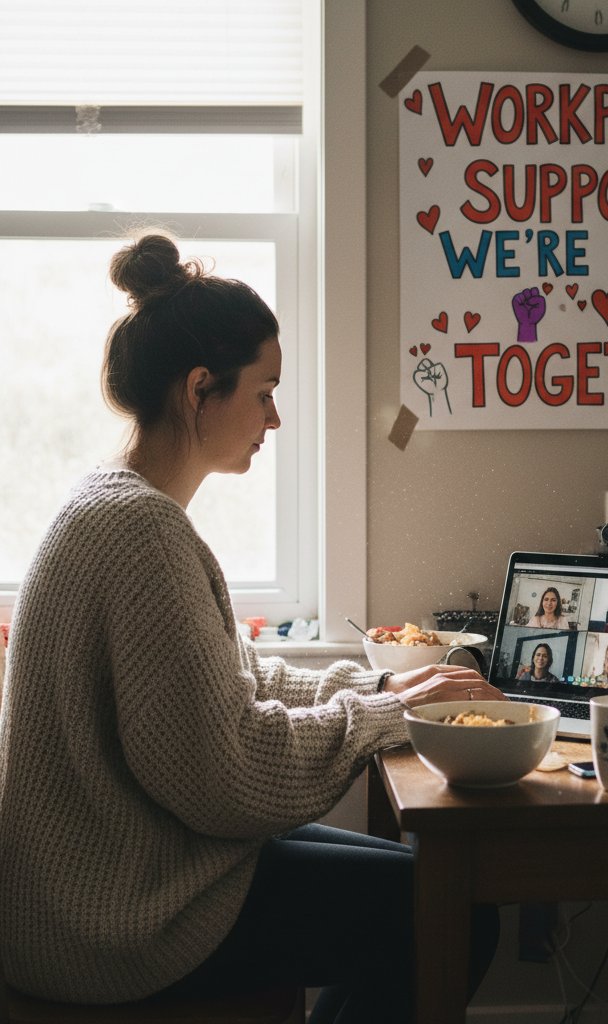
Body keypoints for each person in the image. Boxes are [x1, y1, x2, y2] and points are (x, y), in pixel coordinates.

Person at [0, 233, 502, 1021]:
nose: (275, 417)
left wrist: (377, 685)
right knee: (447, 909)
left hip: (127, 874)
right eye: (264, 391)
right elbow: (225, 771)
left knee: (431, 885)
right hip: (113, 918)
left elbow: (233, 685)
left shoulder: (119, 505)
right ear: (201, 389)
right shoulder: (141, 534)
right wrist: (381, 715)